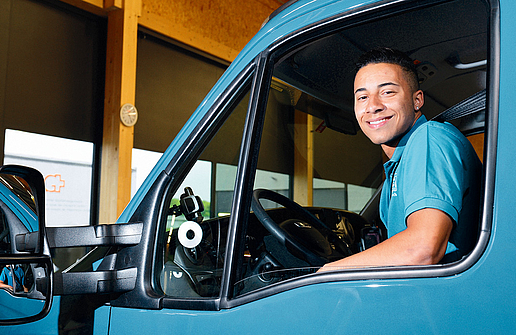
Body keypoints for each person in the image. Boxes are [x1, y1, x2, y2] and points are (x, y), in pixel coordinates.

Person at [320, 47, 482, 271]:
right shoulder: (396, 168)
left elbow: (423, 249)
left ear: (417, 100)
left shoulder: (429, 138)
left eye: (387, 92)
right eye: (363, 97)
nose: (373, 106)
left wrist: (326, 273)